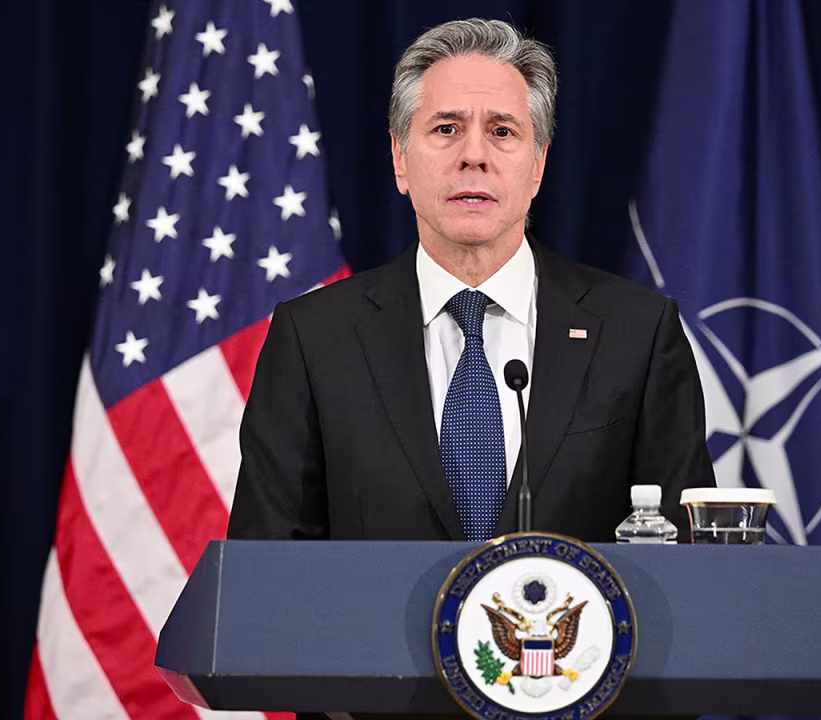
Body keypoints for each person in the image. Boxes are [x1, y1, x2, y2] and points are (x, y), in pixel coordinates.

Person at [227, 18, 714, 546]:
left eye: (502, 132)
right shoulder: (313, 340)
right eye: (446, 129)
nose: (474, 155)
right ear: (400, 159)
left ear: (538, 164)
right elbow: (265, 566)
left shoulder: (637, 335)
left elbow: (689, 566)